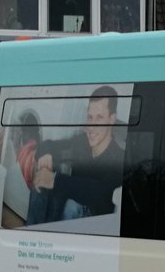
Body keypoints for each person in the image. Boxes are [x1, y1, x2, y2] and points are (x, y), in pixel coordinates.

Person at [26, 86, 124, 225]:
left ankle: (59, 242)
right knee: (42, 179)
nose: (91, 126)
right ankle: (33, 237)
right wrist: (46, 154)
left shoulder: (118, 156)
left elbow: (102, 194)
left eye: (99, 118)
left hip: (94, 228)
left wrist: (55, 180)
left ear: (112, 119)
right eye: (90, 117)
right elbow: (48, 145)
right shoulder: (82, 142)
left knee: (73, 205)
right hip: (67, 215)